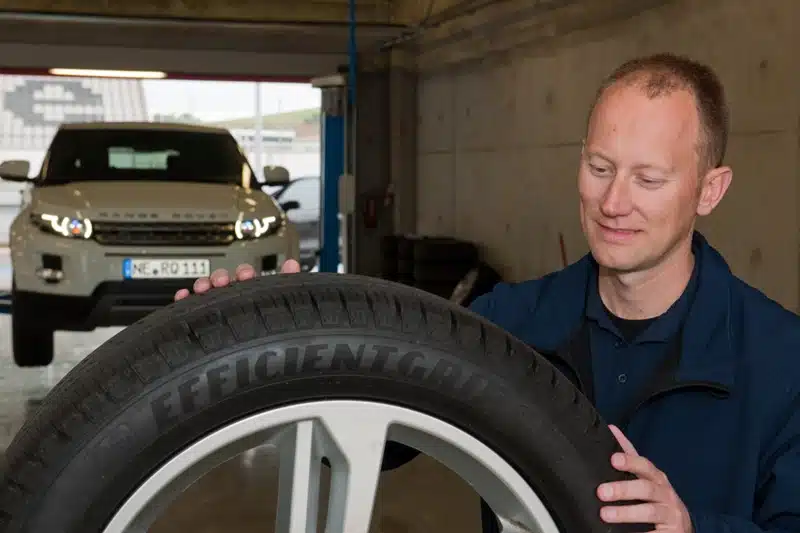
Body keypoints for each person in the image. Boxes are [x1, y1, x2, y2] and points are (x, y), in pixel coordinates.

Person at [176, 53, 800, 533]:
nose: (613, 203)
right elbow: (374, 422)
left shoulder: (782, 362)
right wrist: (265, 342)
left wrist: (693, 527)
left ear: (710, 191)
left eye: (649, 178)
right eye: (600, 167)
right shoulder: (507, 325)